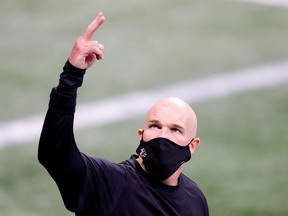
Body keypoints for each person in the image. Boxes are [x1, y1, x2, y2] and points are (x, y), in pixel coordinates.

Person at [38, 12, 209, 216]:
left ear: (192, 145)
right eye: (155, 126)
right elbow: (54, 153)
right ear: (141, 134)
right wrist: (70, 77)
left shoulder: (195, 200)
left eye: (175, 130)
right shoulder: (110, 184)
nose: (163, 135)